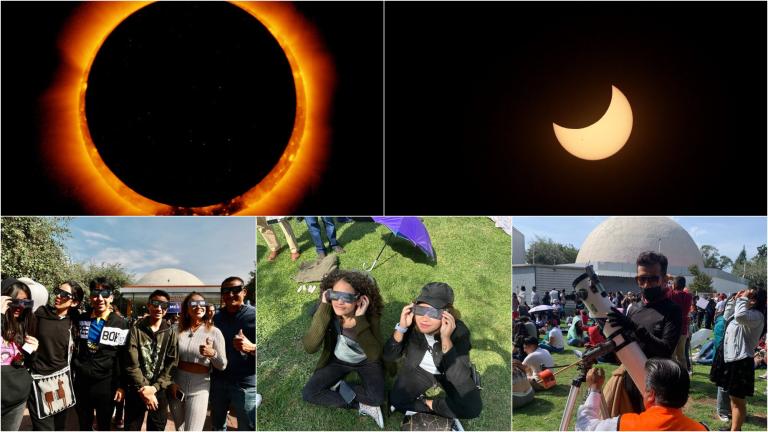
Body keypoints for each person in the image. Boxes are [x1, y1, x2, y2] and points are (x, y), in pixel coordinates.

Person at [384, 282, 481, 428]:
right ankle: (440, 413)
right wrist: (402, 327)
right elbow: (389, 356)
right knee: (396, 400)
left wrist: (446, 338)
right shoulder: (411, 324)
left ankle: (429, 403)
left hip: (447, 370)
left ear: (446, 314)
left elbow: (457, 376)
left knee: (472, 408)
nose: (424, 318)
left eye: (433, 313)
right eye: (420, 310)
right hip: (420, 370)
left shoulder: (460, 332)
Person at [303, 270, 385, 428]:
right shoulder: (328, 312)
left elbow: (374, 355)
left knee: (378, 398)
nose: (339, 302)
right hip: (338, 360)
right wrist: (324, 307)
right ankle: (361, 406)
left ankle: (341, 386)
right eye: (335, 294)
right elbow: (310, 347)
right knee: (309, 393)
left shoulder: (371, 316)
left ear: (359, 299)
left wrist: (360, 319)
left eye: (347, 297)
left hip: (365, 361)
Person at [606, 251, 682, 415]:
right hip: (629, 379)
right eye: (642, 279)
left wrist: (633, 327)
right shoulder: (633, 308)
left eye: (653, 279)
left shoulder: (673, 310)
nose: (647, 284)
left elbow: (665, 350)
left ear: (664, 279)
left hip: (657, 386)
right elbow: (625, 343)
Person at [576, 358, 707, 431]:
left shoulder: (624, 426)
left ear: (651, 395)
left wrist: (594, 389)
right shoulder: (701, 429)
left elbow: (585, 426)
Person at [72, 278, 129, 431]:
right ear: (91, 297)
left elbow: (123, 357)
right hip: (82, 383)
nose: (100, 298)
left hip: (106, 385)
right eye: (96, 294)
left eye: (105, 294)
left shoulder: (121, 323)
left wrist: (122, 386)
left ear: (111, 297)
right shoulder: (81, 318)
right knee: (84, 425)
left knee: (104, 425)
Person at [26, 281, 83, 431]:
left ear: (74, 302)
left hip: (62, 381)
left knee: (59, 427)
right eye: (58, 291)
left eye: (65, 295)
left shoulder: (75, 321)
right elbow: (26, 341)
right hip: (38, 381)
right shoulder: (40, 313)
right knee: (43, 428)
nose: (58, 296)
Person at [169, 292, 227, 431]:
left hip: (200, 387)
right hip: (176, 385)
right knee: (180, 429)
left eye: (202, 304)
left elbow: (223, 365)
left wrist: (213, 354)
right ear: (187, 309)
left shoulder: (214, 332)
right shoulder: (175, 330)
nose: (198, 307)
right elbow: (167, 360)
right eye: (193, 304)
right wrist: (171, 382)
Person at [710, 288, 766, 431]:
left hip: (741, 361)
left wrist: (743, 299)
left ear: (756, 300)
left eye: (751, 295)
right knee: (731, 397)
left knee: (737, 401)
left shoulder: (757, 315)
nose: (747, 296)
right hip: (730, 359)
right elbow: (728, 317)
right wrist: (735, 300)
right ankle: (734, 427)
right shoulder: (745, 312)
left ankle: (735, 430)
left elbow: (740, 316)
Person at [123, 290, 179, 430]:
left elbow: (172, 364)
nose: (159, 308)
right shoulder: (136, 329)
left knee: (157, 427)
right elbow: (131, 362)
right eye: (155, 303)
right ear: (148, 305)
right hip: (136, 388)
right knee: (131, 427)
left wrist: (153, 388)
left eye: (164, 305)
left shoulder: (171, 332)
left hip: (159, 390)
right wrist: (144, 389)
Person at [211, 277, 256, 431]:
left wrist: (251, 348)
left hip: (245, 384)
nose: (230, 294)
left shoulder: (255, 316)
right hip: (218, 382)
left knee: (247, 427)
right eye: (225, 291)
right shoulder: (215, 318)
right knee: (217, 426)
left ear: (244, 292)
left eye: (235, 290)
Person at [1, 278, 38, 431]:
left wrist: (33, 351)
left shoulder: (24, 324)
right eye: (15, 302)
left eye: (26, 303)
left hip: (17, 400)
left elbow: (27, 363)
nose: (20, 307)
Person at [668, 276, 693, 369]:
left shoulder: (671, 294)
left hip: (672, 328)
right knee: (681, 356)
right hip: (683, 328)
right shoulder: (688, 296)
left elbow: (666, 290)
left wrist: (669, 279)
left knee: (672, 355)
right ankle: (684, 377)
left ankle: (675, 377)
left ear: (674, 285)